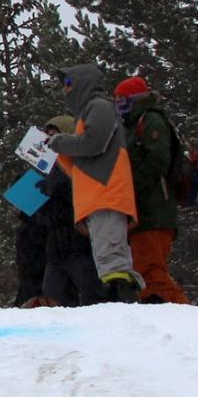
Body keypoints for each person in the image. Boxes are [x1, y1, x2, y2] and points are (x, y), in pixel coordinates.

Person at [43, 66, 143, 301]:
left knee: (112, 258)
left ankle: (122, 301)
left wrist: (60, 142)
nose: (65, 89)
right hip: (96, 197)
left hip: (107, 193)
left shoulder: (98, 106)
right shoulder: (86, 113)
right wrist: (58, 151)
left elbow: (94, 143)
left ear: (82, 82)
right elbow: (80, 166)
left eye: (68, 82)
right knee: (107, 258)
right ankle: (120, 300)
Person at [115, 75, 190, 304]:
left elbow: (158, 158)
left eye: (122, 101)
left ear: (136, 100)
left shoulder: (151, 120)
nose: (118, 106)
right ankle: (163, 314)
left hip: (154, 207)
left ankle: (186, 316)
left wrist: (132, 185)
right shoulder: (131, 125)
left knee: (152, 271)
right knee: (145, 270)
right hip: (143, 209)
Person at [32, 118, 107, 307]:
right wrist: (37, 202)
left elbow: (88, 194)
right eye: (46, 136)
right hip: (55, 248)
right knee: (55, 304)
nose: (49, 140)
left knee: (93, 299)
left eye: (54, 135)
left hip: (81, 244)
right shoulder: (47, 169)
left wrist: (59, 189)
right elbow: (43, 219)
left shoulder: (82, 162)